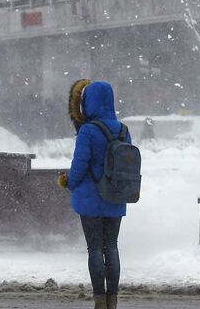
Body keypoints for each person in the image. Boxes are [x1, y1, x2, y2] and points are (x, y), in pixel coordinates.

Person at [58, 79, 131, 309]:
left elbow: (79, 165)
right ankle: (113, 300)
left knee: (95, 248)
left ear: (89, 102)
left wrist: (68, 182)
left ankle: (99, 300)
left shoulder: (88, 131)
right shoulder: (123, 129)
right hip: (115, 196)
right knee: (112, 246)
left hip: (91, 199)